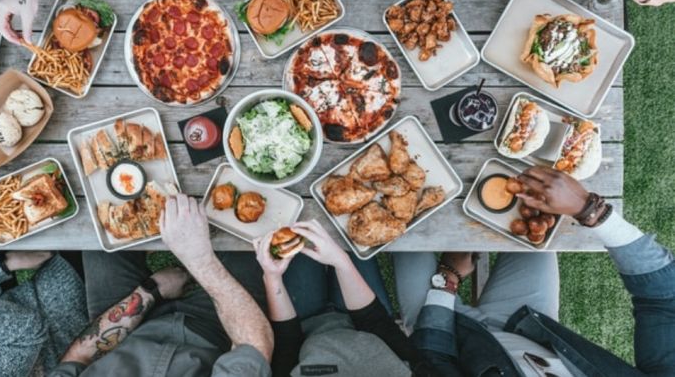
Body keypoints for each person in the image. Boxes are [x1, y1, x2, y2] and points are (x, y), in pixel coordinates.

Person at [393, 166, 675, 376]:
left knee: (400, 227)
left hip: (449, 336)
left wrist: (449, 278)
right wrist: (589, 210)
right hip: (527, 327)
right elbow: (664, 299)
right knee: (532, 215)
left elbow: (434, 360)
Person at [50, 194, 274, 376]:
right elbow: (253, 347)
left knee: (100, 218)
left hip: (123, 333)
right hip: (218, 331)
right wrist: (199, 259)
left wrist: (151, 291)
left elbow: (78, 358)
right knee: (252, 225)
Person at [253, 220, 434, 376]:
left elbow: (287, 343)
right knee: (351, 229)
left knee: (290, 225)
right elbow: (377, 323)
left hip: (302, 324)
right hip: (364, 322)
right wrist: (341, 261)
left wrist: (272, 277)